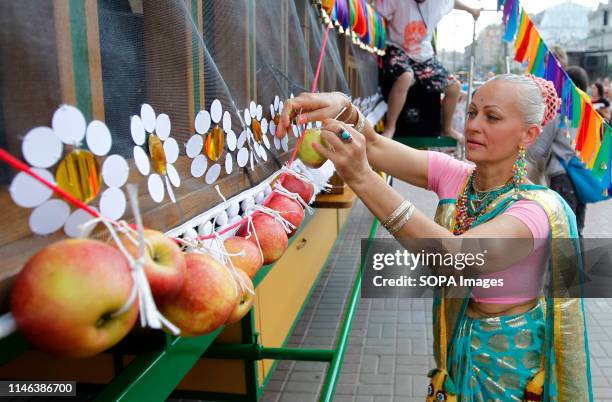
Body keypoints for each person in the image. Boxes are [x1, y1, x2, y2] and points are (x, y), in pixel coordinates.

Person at [275, 74, 592, 400]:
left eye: (492, 117)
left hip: (511, 360)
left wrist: (363, 179)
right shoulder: (460, 178)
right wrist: (344, 110)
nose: (473, 125)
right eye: (471, 113)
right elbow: (374, 145)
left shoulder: (534, 213)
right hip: (460, 344)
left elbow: (456, 258)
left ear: (529, 134)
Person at [376, 0, 480, 140]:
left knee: (454, 86)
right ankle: (390, 127)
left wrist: (471, 9)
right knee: (405, 76)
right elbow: (376, 12)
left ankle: (446, 128)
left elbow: (453, 2)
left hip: (424, 55)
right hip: (398, 49)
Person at [527, 66, 589, 236]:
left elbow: (538, 148)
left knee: (563, 229)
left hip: (562, 177)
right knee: (577, 228)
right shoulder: (588, 112)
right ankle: (579, 261)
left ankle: (567, 263)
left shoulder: (561, 112)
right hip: (581, 177)